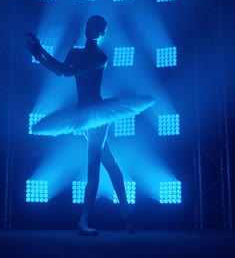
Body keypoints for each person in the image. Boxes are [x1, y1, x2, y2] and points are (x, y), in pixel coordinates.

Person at [25, 15, 154, 236]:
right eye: (91, 25)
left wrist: (42, 54)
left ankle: (83, 222)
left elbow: (67, 72)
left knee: (94, 166)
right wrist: (40, 55)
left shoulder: (100, 57)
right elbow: (61, 70)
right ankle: (126, 213)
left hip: (97, 115)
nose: (92, 29)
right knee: (110, 164)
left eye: (96, 27)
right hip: (83, 115)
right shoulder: (77, 53)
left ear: (99, 33)